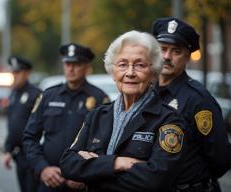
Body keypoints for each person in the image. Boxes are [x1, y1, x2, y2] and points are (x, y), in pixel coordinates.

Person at [60, 31, 187, 192]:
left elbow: (157, 180)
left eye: (140, 65)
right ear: (113, 72)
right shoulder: (97, 115)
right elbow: (68, 164)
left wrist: (93, 172)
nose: (130, 73)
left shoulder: (169, 120)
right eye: (122, 64)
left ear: (154, 73)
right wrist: (117, 163)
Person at [151, 17, 230, 192]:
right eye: (162, 49)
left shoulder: (198, 99)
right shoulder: (147, 93)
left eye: (176, 51)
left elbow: (221, 158)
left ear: (187, 57)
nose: (166, 56)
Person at [23, 43, 110, 192]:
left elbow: (106, 143)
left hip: (82, 183)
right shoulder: (48, 96)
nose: (71, 68)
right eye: (67, 63)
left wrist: (87, 173)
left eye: (76, 64)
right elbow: (30, 137)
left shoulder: (100, 99)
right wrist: (42, 168)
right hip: (49, 180)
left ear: (87, 67)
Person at [3, 56, 41, 192]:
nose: (14, 76)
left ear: (26, 73)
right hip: (19, 154)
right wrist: (7, 149)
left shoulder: (35, 94)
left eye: (17, 73)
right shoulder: (13, 93)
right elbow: (12, 125)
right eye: (13, 73)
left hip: (32, 154)